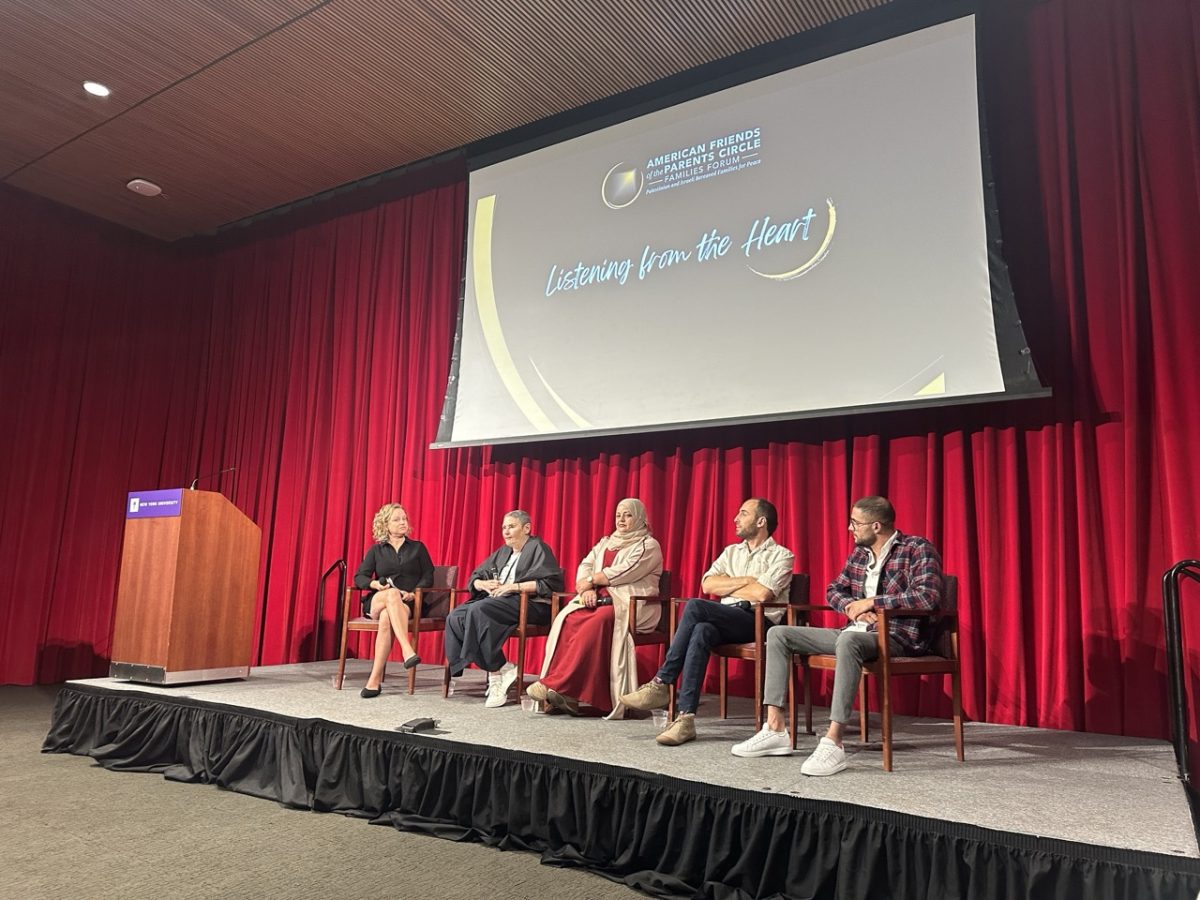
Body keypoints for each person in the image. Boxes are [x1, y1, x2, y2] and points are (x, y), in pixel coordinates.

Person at [730, 495, 943, 776]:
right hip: (854, 629)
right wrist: (853, 610)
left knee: (849, 640)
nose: (850, 529)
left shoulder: (916, 548)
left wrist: (874, 603)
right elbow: (834, 591)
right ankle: (775, 728)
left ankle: (834, 740)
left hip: (896, 635)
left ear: (876, 526)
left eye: (855, 523)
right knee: (780, 634)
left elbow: (928, 597)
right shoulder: (859, 553)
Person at [620, 498, 794, 746]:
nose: (736, 518)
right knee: (701, 629)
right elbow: (708, 584)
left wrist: (732, 584)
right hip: (726, 619)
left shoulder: (782, 555)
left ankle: (662, 682)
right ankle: (686, 718)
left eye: (743, 513)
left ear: (761, 521)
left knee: (695, 606)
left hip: (758, 622)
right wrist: (748, 580)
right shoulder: (731, 552)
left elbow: (763, 594)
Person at [526, 499, 664, 718]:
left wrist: (591, 580)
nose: (621, 520)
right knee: (569, 618)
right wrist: (585, 590)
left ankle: (556, 683)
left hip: (633, 605)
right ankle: (569, 694)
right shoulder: (606, 542)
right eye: (618, 515)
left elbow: (623, 572)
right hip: (599, 599)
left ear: (639, 517)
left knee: (598, 622)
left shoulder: (648, 545)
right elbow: (585, 564)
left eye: (627, 515)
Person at [445, 510, 564, 708]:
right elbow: (476, 575)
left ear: (526, 528)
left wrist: (512, 587)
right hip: (497, 602)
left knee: (480, 610)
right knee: (455, 617)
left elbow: (551, 584)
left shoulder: (538, 548)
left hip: (531, 604)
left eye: (512, 526)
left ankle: (495, 677)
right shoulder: (503, 552)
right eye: (504, 527)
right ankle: (503, 666)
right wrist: (481, 585)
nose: (506, 531)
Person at [352, 503, 435, 699]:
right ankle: (407, 650)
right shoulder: (376, 550)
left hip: (406, 602)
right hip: (379, 599)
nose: (402, 523)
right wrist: (375, 585)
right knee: (391, 594)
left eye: (404, 519)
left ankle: (373, 680)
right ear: (385, 524)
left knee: (387, 617)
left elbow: (428, 575)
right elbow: (359, 577)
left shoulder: (418, 548)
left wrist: (414, 593)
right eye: (397, 519)